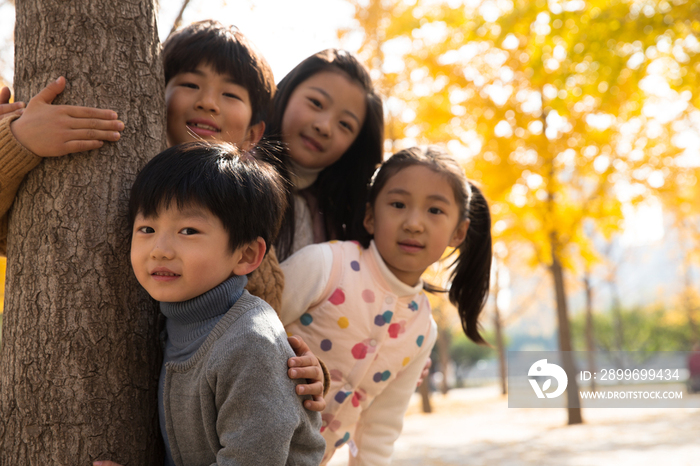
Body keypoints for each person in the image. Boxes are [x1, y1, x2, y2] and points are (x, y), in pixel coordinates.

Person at [0, 20, 327, 407]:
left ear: (254, 133)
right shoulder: (123, 173)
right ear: (155, 97)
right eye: (190, 84)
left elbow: (259, 336)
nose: (208, 101)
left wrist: (305, 371)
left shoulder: (250, 239)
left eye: (230, 93)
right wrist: (18, 139)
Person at [277, 146, 493, 465]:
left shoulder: (422, 329)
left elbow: (380, 428)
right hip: (243, 438)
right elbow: (249, 326)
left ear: (458, 232)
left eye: (435, 210)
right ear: (369, 216)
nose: (414, 223)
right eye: (398, 204)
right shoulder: (326, 265)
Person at [120, 141, 325, 465]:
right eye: (147, 228)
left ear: (245, 255)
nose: (160, 249)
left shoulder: (249, 342)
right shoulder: (176, 323)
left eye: (188, 230)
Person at [261, 48, 384, 261]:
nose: (324, 127)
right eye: (316, 103)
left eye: (345, 124)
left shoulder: (342, 225)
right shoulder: (231, 175)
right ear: (287, 92)